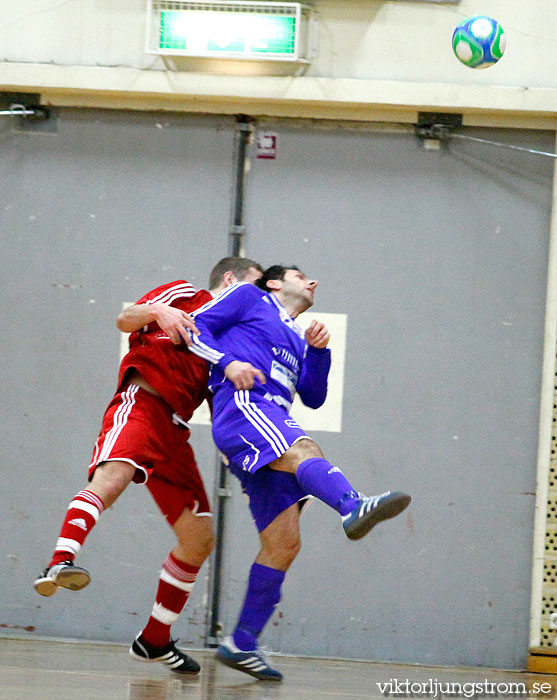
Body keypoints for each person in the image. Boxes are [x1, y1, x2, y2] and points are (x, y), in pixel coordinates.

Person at [33, 256, 263, 675]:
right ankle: (60, 561)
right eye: (256, 286)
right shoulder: (185, 294)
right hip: (143, 401)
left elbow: (226, 403)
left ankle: (153, 641)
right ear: (230, 279)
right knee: (113, 478)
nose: (258, 297)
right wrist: (157, 311)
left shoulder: (226, 336)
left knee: (198, 538)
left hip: (175, 428)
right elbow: (125, 318)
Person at [187, 265, 411, 681]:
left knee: (284, 541)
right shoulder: (251, 298)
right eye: (300, 275)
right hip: (245, 405)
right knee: (304, 448)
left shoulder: (297, 334)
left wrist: (320, 352)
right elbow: (196, 326)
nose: (313, 281)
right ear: (274, 282)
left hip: (270, 417)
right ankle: (351, 505)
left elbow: (314, 396)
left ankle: (241, 643)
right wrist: (229, 362)